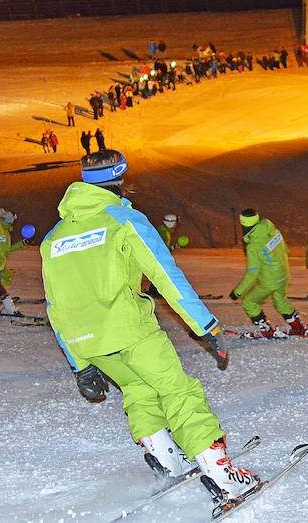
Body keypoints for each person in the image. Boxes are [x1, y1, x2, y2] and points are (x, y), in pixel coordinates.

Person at [40, 149, 257, 502]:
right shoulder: (124, 220)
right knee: (177, 391)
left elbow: (55, 305)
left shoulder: (53, 238)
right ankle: (221, 472)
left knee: (139, 389)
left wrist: (79, 364)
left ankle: (164, 457)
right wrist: (205, 326)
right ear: (119, 178)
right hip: (129, 329)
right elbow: (165, 275)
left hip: (87, 341)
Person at [230, 209, 307, 337]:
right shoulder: (274, 232)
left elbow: (252, 273)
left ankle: (266, 330)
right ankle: (298, 328)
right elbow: (285, 250)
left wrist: (237, 292)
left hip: (269, 281)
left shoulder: (253, 245)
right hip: (283, 275)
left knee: (249, 302)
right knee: (280, 301)